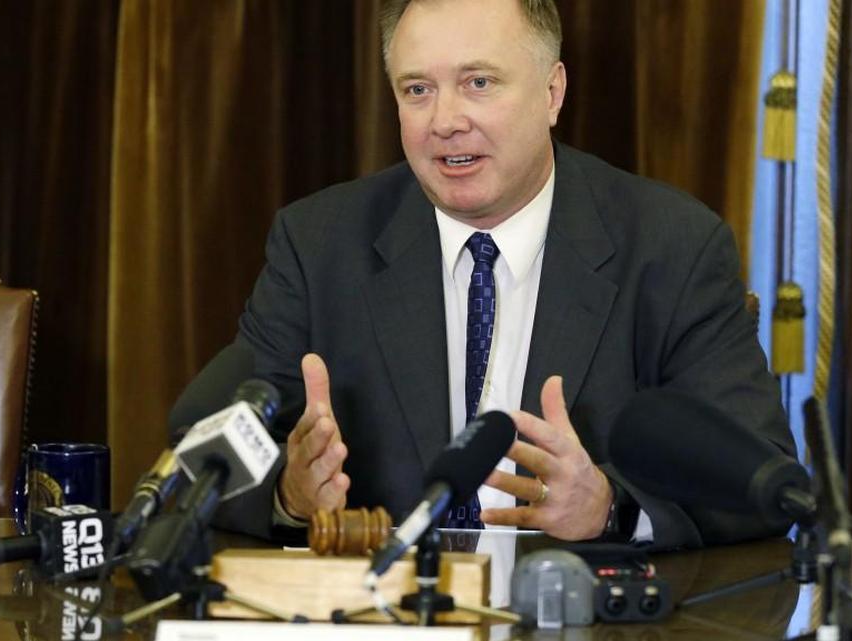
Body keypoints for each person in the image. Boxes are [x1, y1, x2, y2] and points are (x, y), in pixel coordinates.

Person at [170, 0, 793, 550]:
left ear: (552, 93)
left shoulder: (672, 246)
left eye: (478, 82)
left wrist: (608, 508)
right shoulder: (320, 244)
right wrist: (290, 494)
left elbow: (762, 480)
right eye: (417, 90)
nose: (445, 120)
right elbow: (197, 457)